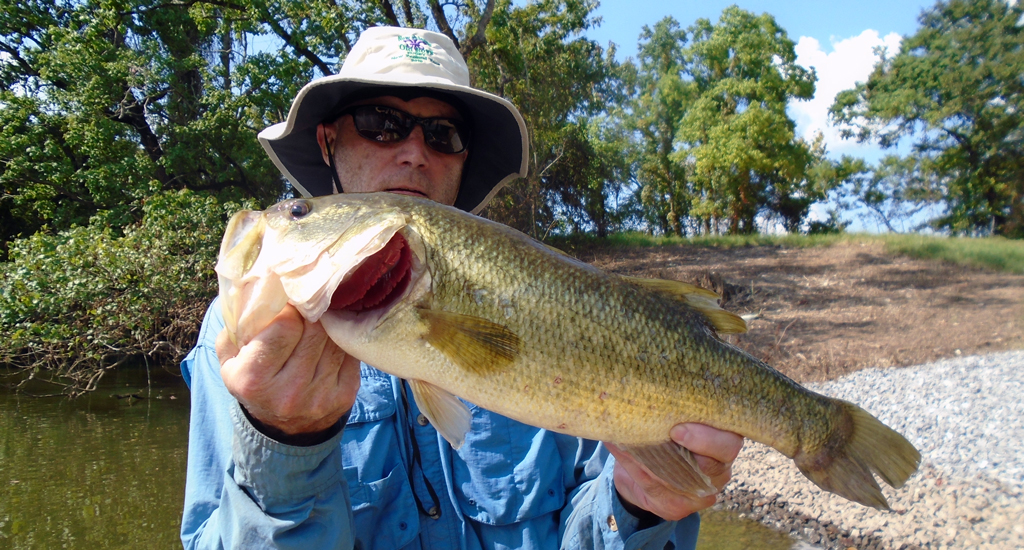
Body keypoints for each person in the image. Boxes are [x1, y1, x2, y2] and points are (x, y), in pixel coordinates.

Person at [180, 26, 743, 550]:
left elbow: (594, 525)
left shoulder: (556, 305)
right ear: (328, 142)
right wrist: (284, 444)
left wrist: (641, 509)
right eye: (381, 123)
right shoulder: (241, 341)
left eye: (443, 134)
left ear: (462, 157)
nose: (414, 152)